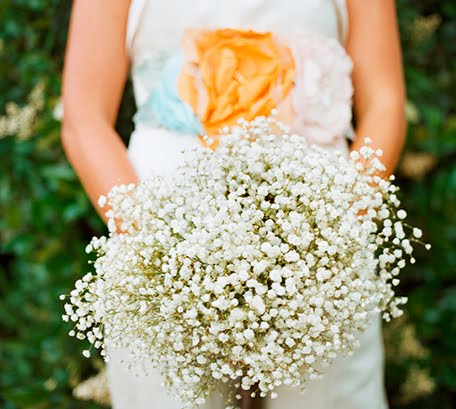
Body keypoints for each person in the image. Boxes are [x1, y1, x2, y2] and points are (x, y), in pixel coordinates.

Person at [61, 1, 406, 408]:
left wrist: (330, 237)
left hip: (322, 257)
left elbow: (385, 103)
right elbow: (84, 117)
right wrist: (156, 255)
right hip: (162, 250)